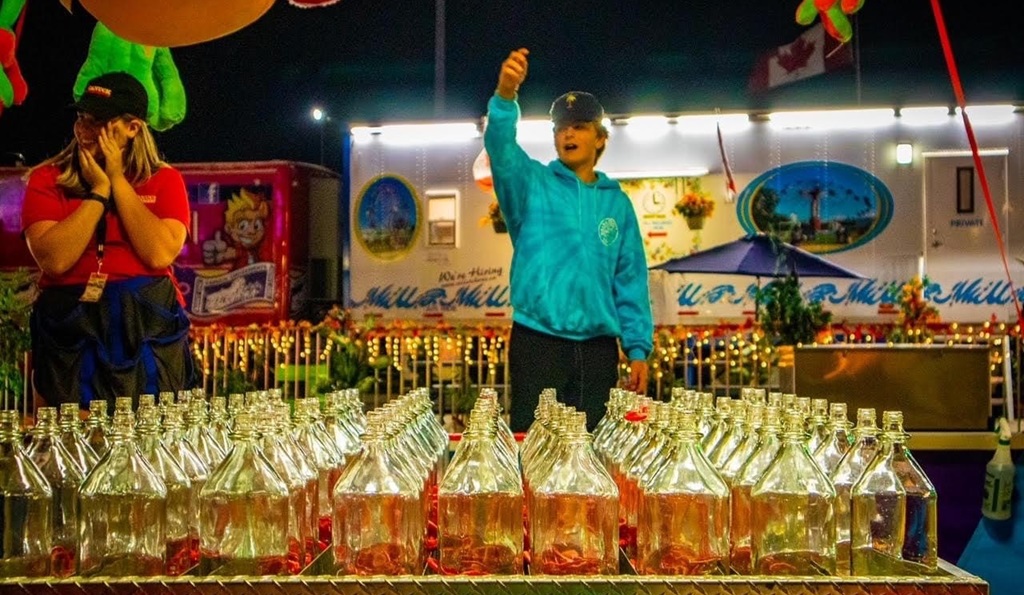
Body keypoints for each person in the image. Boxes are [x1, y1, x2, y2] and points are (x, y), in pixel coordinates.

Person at [484, 48, 653, 432]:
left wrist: (638, 348)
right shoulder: (529, 184)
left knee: (592, 456)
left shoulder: (618, 204)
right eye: (561, 127)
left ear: (600, 139)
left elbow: (630, 280)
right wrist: (506, 95)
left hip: (598, 350)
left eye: (579, 126)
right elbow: (501, 149)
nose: (568, 133)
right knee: (535, 452)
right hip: (537, 342)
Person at [20, 71, 195, 410]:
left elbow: (159, 253)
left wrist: (117, 180)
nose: (85, 131)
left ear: (133, 128)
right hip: (71, 321)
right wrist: (98, 194)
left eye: (100, 123)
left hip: (145, 320)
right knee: (70, 424)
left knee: (149, 427)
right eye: (82, 119)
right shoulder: (47, 178)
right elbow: (54, 259)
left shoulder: (164, 180)